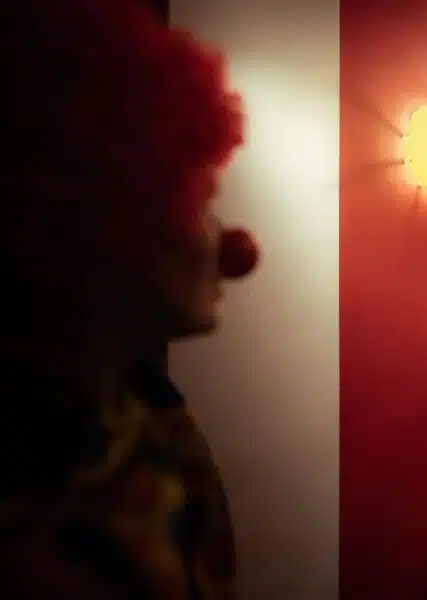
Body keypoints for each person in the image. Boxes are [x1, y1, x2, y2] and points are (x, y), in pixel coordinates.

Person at [0, 0, 258, 597]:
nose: (228, 240)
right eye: (202, 202)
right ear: (114, 214)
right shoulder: (33, 536)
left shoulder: (152, 418)